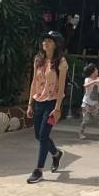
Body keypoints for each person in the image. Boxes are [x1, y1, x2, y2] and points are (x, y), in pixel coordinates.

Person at [26, 31, 68, 184]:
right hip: (38, 102)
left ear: (56, 45)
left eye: (49, 41)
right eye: (44, 40)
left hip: (52, 103)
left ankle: (38, 170)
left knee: (43, 136)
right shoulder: (38, 60)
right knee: (38, 136)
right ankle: (56, 153)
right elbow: (34, 82)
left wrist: (57, 108)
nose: (45, 43)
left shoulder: (61, 63)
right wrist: (30, 104)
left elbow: (61, 88)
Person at [79, 62, 99, 139]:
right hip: (86, 103)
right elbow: (85, 85)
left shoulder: (98, 79)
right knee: (85, 119)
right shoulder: (88, 79)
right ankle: (81, 133)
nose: (97, 71)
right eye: (96, 70)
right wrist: (94, 81)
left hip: (95, 104)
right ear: (92, 72)